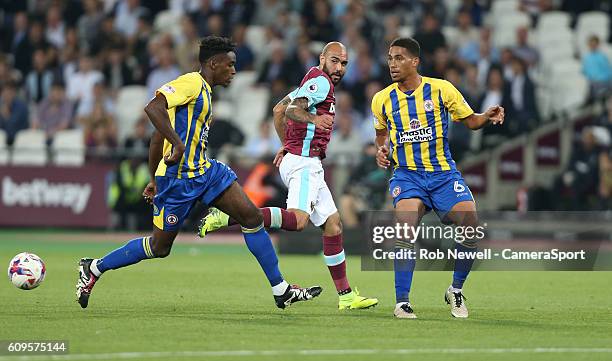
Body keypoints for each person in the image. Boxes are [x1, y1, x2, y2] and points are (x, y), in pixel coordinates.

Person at [75, 36, 322, 310]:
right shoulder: (191, 83)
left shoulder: (206, 91)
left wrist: (153, 176)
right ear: (213, 63)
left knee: (251, 217)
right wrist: (164, 169)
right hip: (178, 181)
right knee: (160, 247)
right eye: (230, 65)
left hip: (205, 171)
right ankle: (94, 267)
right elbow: (153, 108)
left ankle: (281, 290)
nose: (234, 71)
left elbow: (158, 138)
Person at [199, 42, 378, 311]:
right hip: (304, 163)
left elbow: (278, 110)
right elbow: (294, 110)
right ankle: (227, 216)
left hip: (304, 160)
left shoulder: (311, 79)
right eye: (334, 61)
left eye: (343, 64)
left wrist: (285, 145)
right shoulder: (322, 83)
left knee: (333, 224)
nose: (339, 68)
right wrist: (314, 121)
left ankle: (346, 295)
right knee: (298, 221)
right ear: (322, 58)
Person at [371, 37, 505, 319]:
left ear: (414, 61)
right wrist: (381, 151)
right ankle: (402, 302)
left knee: (470, 224)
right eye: (390, 58)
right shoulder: (382, 99)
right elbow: (381, 135)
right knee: (405, 226)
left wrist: (486, 115)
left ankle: (455, 289)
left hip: (443, 175)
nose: (392, 64)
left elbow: (470, 121)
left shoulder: (441, 89)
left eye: (399, 58)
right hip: (407, 176)